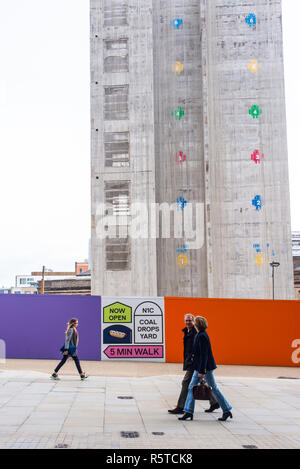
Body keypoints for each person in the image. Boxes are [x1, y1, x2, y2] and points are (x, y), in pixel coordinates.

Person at [178, 315, 233, 422]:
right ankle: (188, 411)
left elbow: (204, 355)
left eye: (194, 321)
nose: (192, 323)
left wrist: (202, 371)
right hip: (199, 367)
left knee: (214, 388)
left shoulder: (202, 336)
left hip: (204, 368)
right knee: (191, 387)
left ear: (197, 324)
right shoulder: (199, 334)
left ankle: (226, 410)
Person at [168, 314, 219, 415]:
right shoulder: (187, 331)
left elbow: (200, 351)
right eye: (186, 321)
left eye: (190, 321)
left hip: (195, 362)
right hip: (191, 361)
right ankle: (214, 402)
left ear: (194, 322)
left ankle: (181, 407)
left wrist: (196, 364)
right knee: (203, 383)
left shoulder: (197, 333)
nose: (188, 323)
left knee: (186, 382)